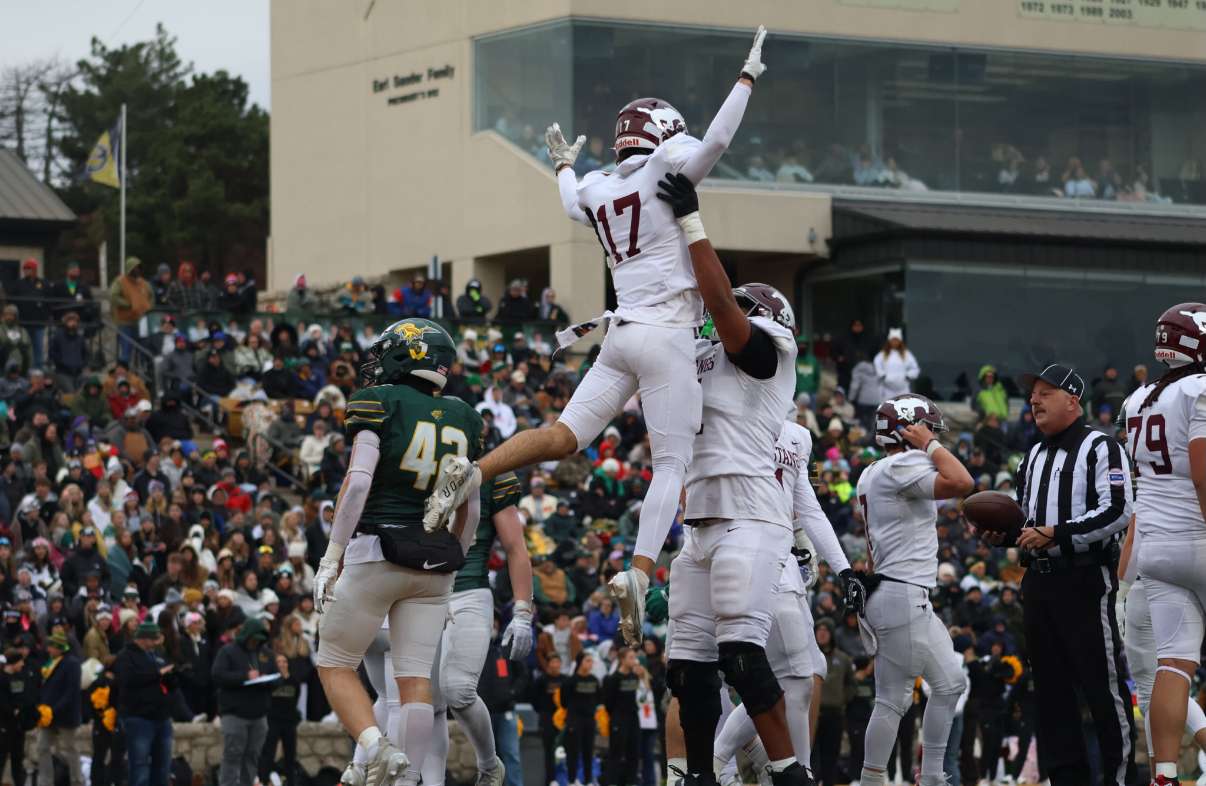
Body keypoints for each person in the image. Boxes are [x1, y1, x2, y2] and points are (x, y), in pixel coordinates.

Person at [425, 27, 768, 649]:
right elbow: (717, 138)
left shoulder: (600, 186)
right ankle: (638, 572)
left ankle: (472, 471)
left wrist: (562, 164)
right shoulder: (668, 164)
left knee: (562, 437)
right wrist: (746, 79)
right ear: (664, 134)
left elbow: (568, 201)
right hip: (664, 335)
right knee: (671, 465)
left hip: (620, 332)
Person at [649, 170, 809, 786]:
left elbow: (719, 306)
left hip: (753, 516)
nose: (725, 313)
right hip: (700, 521)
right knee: (687, 673)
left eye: (741, 307)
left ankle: (792, 774)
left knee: (742, 658)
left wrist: (692, 225)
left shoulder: (766, 353)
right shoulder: (704, 355)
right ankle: (699, 778)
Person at [312, 318, 484, 786]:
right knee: (415, 684)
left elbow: (359, 483)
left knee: (333, 663)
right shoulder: (466, 416)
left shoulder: (378, 401)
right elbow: (472, 505)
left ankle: (375, 747)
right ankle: (405, 779)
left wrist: (332, 555)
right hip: (436, 563)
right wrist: (456, 559)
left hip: (378, 552)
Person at [972, 363, 1134, 785]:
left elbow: (1118, 511)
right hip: (1039, 584)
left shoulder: (1102, 447)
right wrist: (1004, 536)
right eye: (1032, 393)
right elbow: (1030, 523)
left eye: (1045, 392)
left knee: (1102, 688)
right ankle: (1067, 779)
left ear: (1072, 400)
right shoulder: (1033, 455)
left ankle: (1119, 778)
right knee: (1050, 692)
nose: (1033, 400)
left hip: (1083, 580)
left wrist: (1057, 534)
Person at [712, 412, 853, 778]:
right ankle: (785, 769)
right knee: (793, 674)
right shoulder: (729, 417)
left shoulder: (798, 436)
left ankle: (757, 765)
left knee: (796, 673)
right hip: (749, 549)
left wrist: (837, 563)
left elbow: (806, 503)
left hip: (780, 550)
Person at [849, 395, 972, 786]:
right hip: (903, 593)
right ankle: (873, 780)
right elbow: (962, 481)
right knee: (893, 698)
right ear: (907, 428)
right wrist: (929, 445)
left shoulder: (873, 471)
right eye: (927, 427)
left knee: (951, 681)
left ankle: (933, 777)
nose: (933, 435)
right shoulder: (904, 463)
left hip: (898, 592)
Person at [1118, 303, 1206, 786]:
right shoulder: (1202, 390)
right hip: (1199, 535)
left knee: (1172, 666)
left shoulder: (1137, 399)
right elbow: (1202, 473)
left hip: (1157, 548)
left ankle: (1166, 774)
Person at [419, 469, 533, 786]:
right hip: (420, 591)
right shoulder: (416, 461)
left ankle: (488, 765)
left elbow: (515, 547)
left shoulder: (491, 474)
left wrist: (523, 609)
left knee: (457, 689)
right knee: (426, 703)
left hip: (468, 590)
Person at [212, 617, 279, 786]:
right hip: (234, 713)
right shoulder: (228, 651)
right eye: (254, 638)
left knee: (252, 755)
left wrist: (268, 680)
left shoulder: (266, 653)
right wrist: (244, 677)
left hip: (259, 714)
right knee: (233, 755)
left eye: (259, 639)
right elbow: (217, 675)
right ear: (247, 635)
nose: (256, 642)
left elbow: (277, 678)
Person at [115, 620, 174, 786]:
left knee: (163, 766)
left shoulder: (157, 655)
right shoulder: (125, 656)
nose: (156, 642)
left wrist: (172, 677)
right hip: (138, 717)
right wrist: (157, 674)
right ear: (143, 638)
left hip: (162, 717)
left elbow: (167, 684)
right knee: (140, 766)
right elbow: (129, 680)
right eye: (153, 639)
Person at [36, 630, 84, 786]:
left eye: (51, 647)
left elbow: (71, 692)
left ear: (59, 648)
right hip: (47, 715)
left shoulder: (72, 663)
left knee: (70, 749)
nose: (48, 650)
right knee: (42, 747)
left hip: (65, 714)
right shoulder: (50, 662)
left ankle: (77, 781)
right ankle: (45, 781)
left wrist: (54, 710)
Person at [0, 646, 38, 786]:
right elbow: (4, 703)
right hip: (4, 727)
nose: (22, 664)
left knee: (18, 760)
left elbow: (26, 697)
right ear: (13, 663)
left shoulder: (21, 677)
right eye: (20, 662)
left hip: (18, 728)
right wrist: (13, 709)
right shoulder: (2, 678)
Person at [563, 651, 601, 786]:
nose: (591, 664)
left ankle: (588, 781)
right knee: (573, 753)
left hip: (589, 720)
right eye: (588, 661)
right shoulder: (570, 681)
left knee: (588, 752)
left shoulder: (594, 681)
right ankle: (572, 781)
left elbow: (598, 699)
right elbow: (564, 701)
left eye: (592, 661)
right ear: (580, 662)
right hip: (574, 720)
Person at [109, 257, 154, 363]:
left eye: (139, 267)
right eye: (135, 268)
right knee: (126, 350)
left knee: (144, 350)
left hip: (141, 322)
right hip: (125, 322)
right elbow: (113, 296)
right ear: (129, 268)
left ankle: (143, 373)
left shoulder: (144, 283)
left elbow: (151, 296)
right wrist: (128, 304)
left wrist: (149, 308)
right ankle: (124, 375)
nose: (137, 270)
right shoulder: (120, 281)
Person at [11, 258, 48, 369]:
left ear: (35, 269)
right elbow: (13, 301)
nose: (26, 271)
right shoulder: (19, 283)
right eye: (25, 268)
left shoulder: (43, 283)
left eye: (29, 268)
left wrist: (46, 316)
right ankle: (24, 370)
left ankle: (38, 372)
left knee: (38, 349)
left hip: (39, 323)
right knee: (23, 348)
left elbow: (49, 301)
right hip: (23, 323)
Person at [873, 328, 919, 399]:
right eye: (893, 340)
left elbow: (915, 368)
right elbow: (877, 366)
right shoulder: (882, 355)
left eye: (896, 340)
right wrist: (883, 376)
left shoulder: (907, 354)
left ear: (900, 341)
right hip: (887, 390)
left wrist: (907, 376)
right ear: (889, 341)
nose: (894, 342)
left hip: (903, 390)